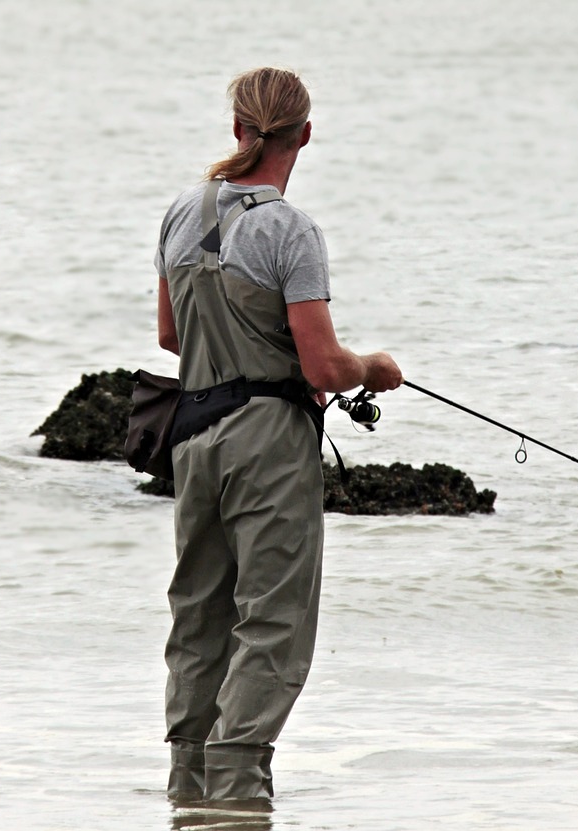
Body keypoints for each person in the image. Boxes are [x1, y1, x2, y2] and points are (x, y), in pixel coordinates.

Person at [153, 67, 403, 804]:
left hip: (192, 437)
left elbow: (172, 336)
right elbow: (325, 362)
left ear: (238, 129)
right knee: (272, 620)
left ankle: (188, 789)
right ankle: (236, 789)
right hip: (267, 442)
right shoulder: (289, 229)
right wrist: (375, 369)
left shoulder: (178, 212)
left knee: (199, 615)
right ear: (305, 135)